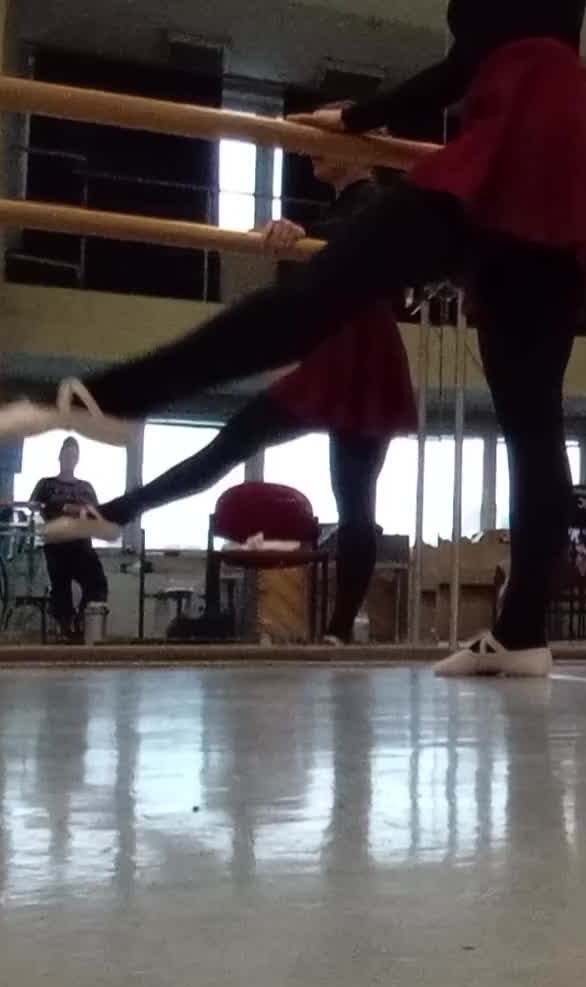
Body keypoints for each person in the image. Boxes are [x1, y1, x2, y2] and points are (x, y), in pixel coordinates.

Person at [0, 0, 586, 678]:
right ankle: (522, 633)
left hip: (520, 129)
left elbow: (463, 65)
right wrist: (360, 118)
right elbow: (471, 63)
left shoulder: (377, 185)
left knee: (308, 312)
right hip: (561, 145)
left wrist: (358, 117)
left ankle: (108, 398)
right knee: (531, 414)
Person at [43, 154, 416, 645]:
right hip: (345, 349)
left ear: (356, 154)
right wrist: (300, 235)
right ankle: (339, 630)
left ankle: (340, 629)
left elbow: (361, 234)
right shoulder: (343, 209)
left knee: (335, 488)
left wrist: (302, 232)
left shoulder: (372, 201)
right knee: (255, 454)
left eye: (324, 146)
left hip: (359, 347)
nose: (311, 154)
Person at [30, 437, 109, 642]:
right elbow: (33, 508)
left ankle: (82, 622)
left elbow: (96, 513)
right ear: (59, 457)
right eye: (66, 454)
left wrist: (76, 510)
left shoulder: (86, 487)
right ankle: (65, 629)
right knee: (61, 590)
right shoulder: (46, 485)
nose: (69, 459)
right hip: (56, 544)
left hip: (81, 544)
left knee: (97, 584)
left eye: (73, 455)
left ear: (77, 459)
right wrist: (63, 509)